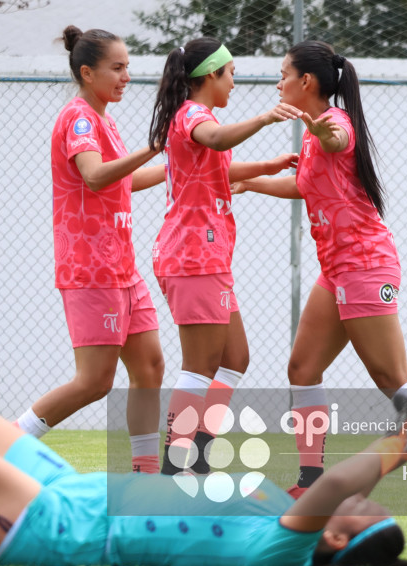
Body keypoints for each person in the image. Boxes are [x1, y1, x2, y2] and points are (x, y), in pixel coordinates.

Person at [232, 40, 407, 507]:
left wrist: (319, 128)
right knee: (302, 367)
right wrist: (251, 182)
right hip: (338, 271)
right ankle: (310, 482)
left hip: (365, 267)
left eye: (282, 74)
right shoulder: (312, 135)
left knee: (393, 377)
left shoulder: (332, 123)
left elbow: (338, 139)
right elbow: (306, 185)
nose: (278, 82)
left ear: (305, 82)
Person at [0, 390, 407, 566]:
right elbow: (347, 496)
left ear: (333, 537)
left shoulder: (283, 547)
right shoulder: (287, 515)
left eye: (366, 507)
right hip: (71, 489)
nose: (361, 495)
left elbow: (334, 486)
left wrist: (406, 442)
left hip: (55, 525)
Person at [14, 26, 166, 475]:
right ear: (87, 72)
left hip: (123, 270)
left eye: (128, 68)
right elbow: (96, 176)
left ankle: (145, 475)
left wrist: (172, 165)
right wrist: (153, 148)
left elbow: (123, 180)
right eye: (116, 68)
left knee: (150, 368)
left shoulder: (105, 120)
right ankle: (2, 445)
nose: (126, 77)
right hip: (91, 270)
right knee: (95, 382)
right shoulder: (78, 119)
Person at [147, 37, 302, 475]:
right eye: (230, 72)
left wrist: (266, 166)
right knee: (198, 368)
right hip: (192, 257)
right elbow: (214, 140)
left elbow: (216, 164)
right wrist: (264, 118)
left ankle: (194, 453)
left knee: (235, 360)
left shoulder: (199, 118)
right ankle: (175, 466)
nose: (235, 81)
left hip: (207, 258)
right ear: (210, 75)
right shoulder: (195, 116)